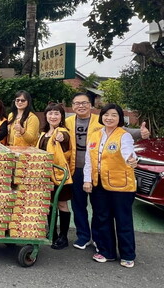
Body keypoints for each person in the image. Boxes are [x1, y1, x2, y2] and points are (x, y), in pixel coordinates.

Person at [65, 92, 149, 250]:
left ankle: (99, 237)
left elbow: (122, 131)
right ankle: (83, 236)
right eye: (76, 103)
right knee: (78, 205)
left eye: (84, 103)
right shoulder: (68, 121)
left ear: (91, 105)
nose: (80, 106)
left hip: (99, 171)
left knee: (99, 206)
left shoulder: (101, 119)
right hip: (76, 169)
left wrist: (140, 133)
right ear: (73, 105)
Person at [83, 103, 138, 268]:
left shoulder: (124, 135)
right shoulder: (94, 135)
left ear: (120, 118)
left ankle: (128, 255)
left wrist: (131, 159)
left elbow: (128, 151)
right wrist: (87, 180)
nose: (109, 118)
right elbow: (88, 160)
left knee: (123, 220)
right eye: (106, 115)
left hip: (121, 186)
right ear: (102, 117)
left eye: (114, 115)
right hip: (98, 184)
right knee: (102, 218)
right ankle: (107, 252)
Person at [37, 103, 73, 250]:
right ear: (46, 116)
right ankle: (52, 233)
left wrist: (59, 137)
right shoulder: (42, 134)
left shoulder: (63, 132)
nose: (53, 116)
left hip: (60, 175)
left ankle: (63, 236)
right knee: (49, 204)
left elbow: (63, 138)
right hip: (45, 175)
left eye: (56, 114)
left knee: (62, 204)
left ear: (61, 116)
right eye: (50, 113)